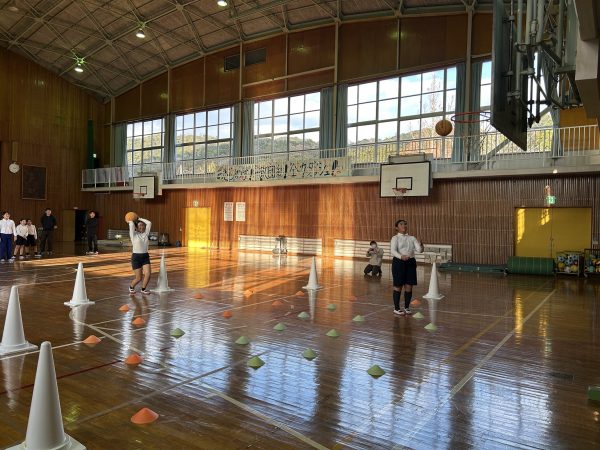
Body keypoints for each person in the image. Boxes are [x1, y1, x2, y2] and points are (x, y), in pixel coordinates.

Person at [390, 219, 423, 316]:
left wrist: (421, 246)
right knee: (398, 286)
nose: (404, 225)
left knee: (409, 286)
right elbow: (393, 251)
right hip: (399, 262)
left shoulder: (412, 238)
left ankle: (407, 307)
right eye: (401, 224)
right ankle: (396, 308)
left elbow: (419, 250)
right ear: (396, 227)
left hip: (411, 262)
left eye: (405, 224)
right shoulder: (395, 238)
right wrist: (401, 257)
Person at [128, 215, 152, 295]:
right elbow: (131, 224)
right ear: (136, 228)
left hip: (145, 256)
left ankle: (143, 289)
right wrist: (131, 220)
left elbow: (149, 223)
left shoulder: (146, 234)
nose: (142, 227)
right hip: (136, 257)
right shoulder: (133, 235)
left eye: (142, 225)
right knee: (139, 278)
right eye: (140, 225)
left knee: (148, 274)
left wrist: (139, 219)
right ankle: (131, 287)